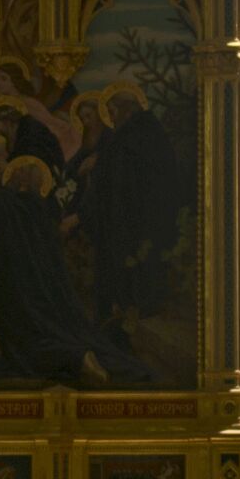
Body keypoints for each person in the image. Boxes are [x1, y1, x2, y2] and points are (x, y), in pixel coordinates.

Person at [0, 140, 132, 384]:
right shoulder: (42, 213)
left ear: (23, 184)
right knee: (45, 336)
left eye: (14, 173)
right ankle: (80, 354)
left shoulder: (11, 205)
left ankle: (77, 358)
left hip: (23, 300)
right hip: (47, 299)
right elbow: (20, 251)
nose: (7, 177)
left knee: (28, 349)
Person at [69, 84, 187, 333]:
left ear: (126, 110)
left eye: (112, 112)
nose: (110, 118)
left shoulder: (130, 137)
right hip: (143, 216)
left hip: (135, 219)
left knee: (135, 273)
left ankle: (128, 319)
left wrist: (97, 169)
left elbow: (118, 180)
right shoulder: (144, 133)